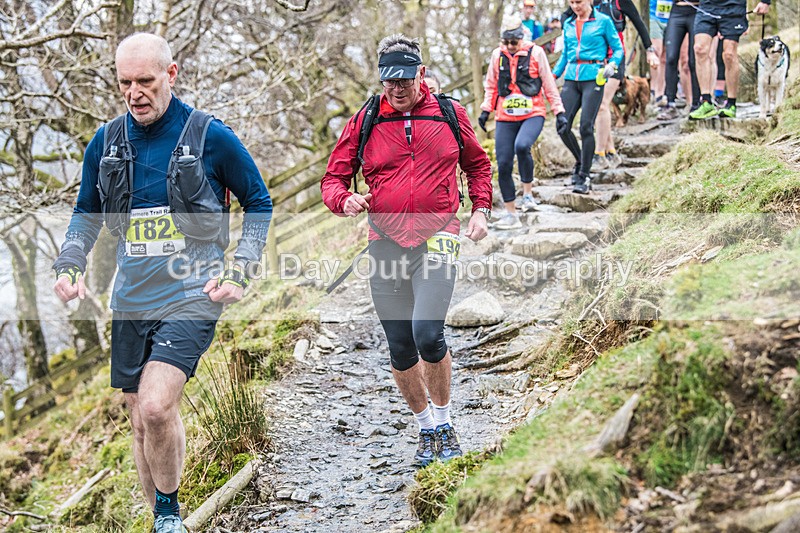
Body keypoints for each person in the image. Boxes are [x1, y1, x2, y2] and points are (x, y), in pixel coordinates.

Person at [52, 33, 271, 532]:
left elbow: (259, 202)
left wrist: (242, 266)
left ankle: (171, 511)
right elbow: (86, 214)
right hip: (131, 294)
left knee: (155, 407)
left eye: (145, 81)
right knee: (138, 419)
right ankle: (160, 520)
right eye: (124, 82)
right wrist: (70, 263)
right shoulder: (105, 142)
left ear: (171, 75)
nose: (135, 93)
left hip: (194, 287)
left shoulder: (210, 136)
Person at [321, 34, 492, 466]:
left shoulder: (450, 113)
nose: (396, 89)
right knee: (400, 345)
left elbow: (477, 164)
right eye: (388, 81)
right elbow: (332, 179)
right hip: (386, 242)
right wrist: (345, 200)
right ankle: (427, 430)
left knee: (427, 333)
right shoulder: (365, 121)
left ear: (421, 73)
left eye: (404, 79)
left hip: (439, 234)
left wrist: (480, 210)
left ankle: (447, 424)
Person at [478, 15, 565, 229]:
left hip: (532, 112)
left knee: (522, 146)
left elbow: (548, 83)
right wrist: (485, 110)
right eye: (506, 43)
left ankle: (527, 194)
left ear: (521, 38)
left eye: (513, 43)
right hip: (505, 115)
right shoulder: (497, 56)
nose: (510, 47)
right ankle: (510, 212)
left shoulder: (536, 53)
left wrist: (559, 111)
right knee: (504, 162)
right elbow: (491, 85)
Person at [554, 0, 623, 194]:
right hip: (571, 76)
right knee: (562, 125)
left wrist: (613, 64)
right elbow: (565, 55)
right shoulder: (568, 24)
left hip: (594, 76)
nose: (576, 6)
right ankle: (580, 160)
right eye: (572, 2)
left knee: (586, 126)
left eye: (579, 2)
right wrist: (551, 76)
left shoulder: (603, 21)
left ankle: (584, 175)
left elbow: (618, 49)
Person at [588, 0, 659, 169]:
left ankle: (599, 154)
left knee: (602, 104)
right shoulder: (590, 3)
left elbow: (639, 23)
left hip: (615, 57)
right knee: (600, 105)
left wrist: (650, 51)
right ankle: (611, 152)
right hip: (594, 59)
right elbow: (568, 19)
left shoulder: (620, 2)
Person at [689, 0, 771, 119]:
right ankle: (706, 102)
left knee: (729, 54)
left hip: (733, 7)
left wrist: (765, 1)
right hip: (706, 7)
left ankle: (731, 104)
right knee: (699, 49)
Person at [657, 0, 702, 119]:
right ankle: (670, 104)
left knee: (693, 61)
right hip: (677, 10)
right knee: (671, 57)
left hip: (696, 10)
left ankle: (696, 103)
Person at [649, 0, 672, 107]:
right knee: (656, 52)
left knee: (665, 57)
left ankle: (661, 91)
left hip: (673, 16)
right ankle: (653, 89)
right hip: (654, 15)